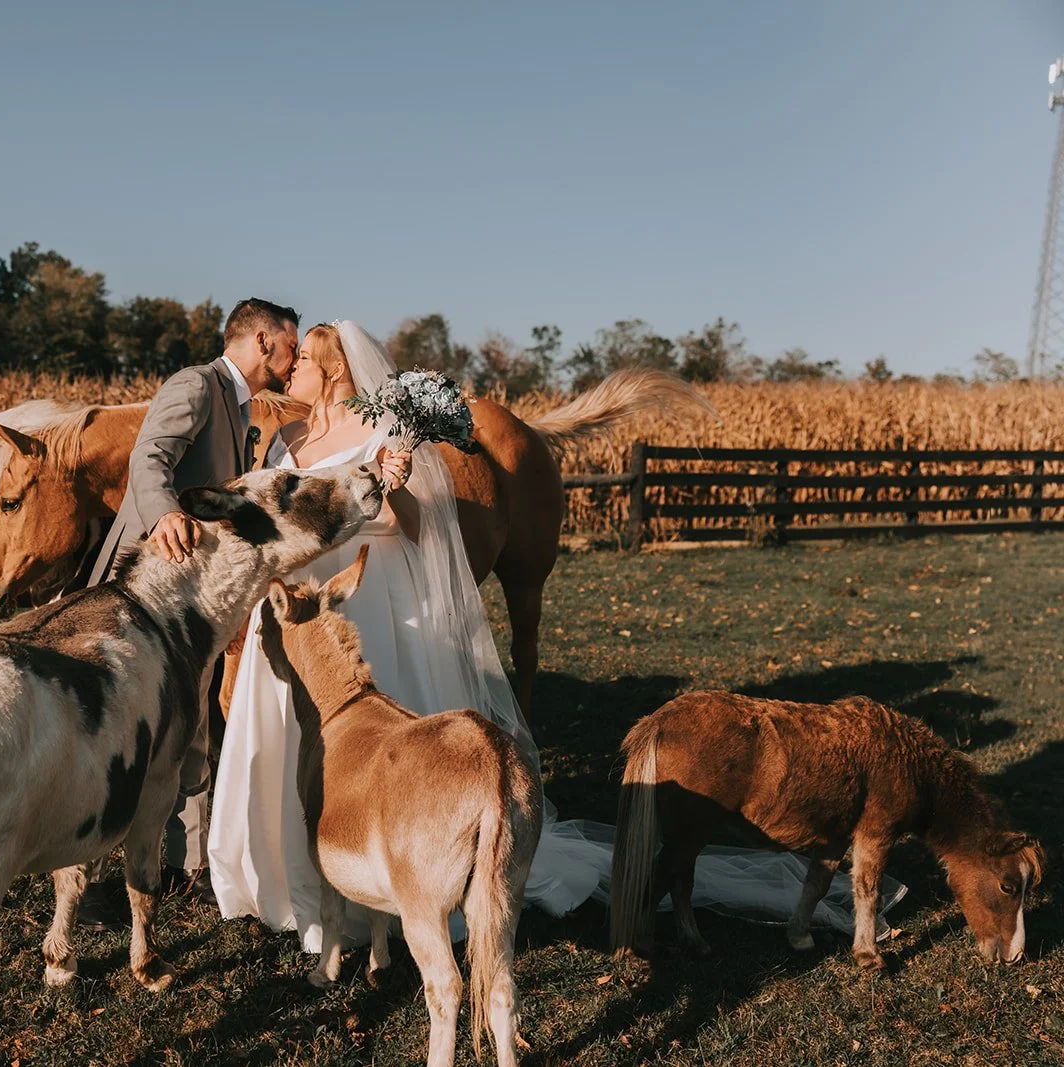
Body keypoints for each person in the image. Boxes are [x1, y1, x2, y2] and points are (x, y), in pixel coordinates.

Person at [208, 321, 884, 952]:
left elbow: (412, 526)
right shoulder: (285, 442)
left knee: (369, 752)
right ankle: (282, 871)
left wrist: (389, 489)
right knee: (287, 741)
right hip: (298, 603)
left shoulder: (383, 430)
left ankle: (379, 890)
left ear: (330, 370)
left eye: (300, 360)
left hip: (372, 601)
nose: (287, 368)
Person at [74, 297, 301, 932]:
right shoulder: (195, 386)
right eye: (290, 344)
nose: (294, 356)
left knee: (186, 722)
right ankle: (92, 884)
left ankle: (176, 865)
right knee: (119, 727)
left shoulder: (244, 407)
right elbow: (149, 459)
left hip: (192, 600)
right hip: (140, 587)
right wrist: (164, 512)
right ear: (261, 341)